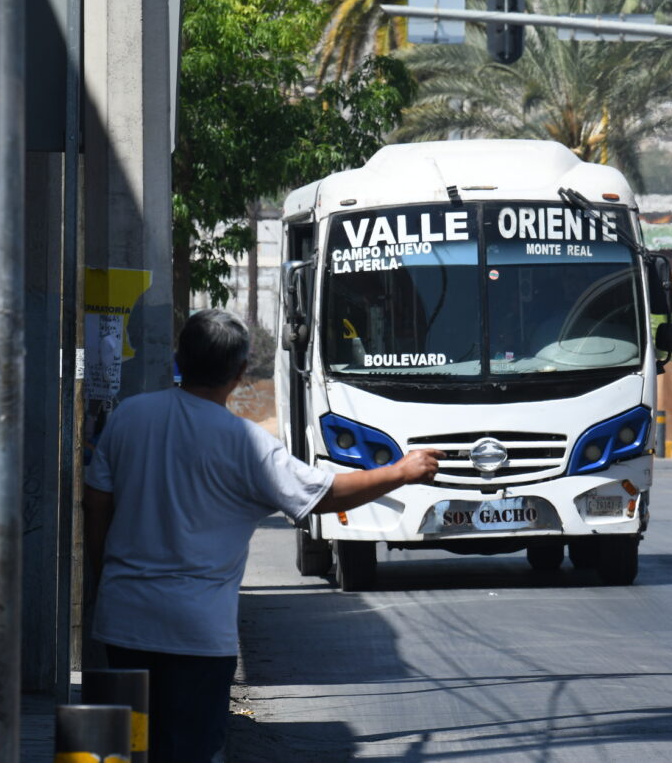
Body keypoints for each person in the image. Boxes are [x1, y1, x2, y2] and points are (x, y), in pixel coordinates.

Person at [83, 309, 442, 762]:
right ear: (238, 373)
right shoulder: (246, 444)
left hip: (125, 623)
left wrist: (104, 577)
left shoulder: (130, 417)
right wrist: (399, 472)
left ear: (179, 357)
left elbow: (95, 504)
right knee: (188, 751)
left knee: (123, 751)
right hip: (197, 635)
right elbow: (323, 494)